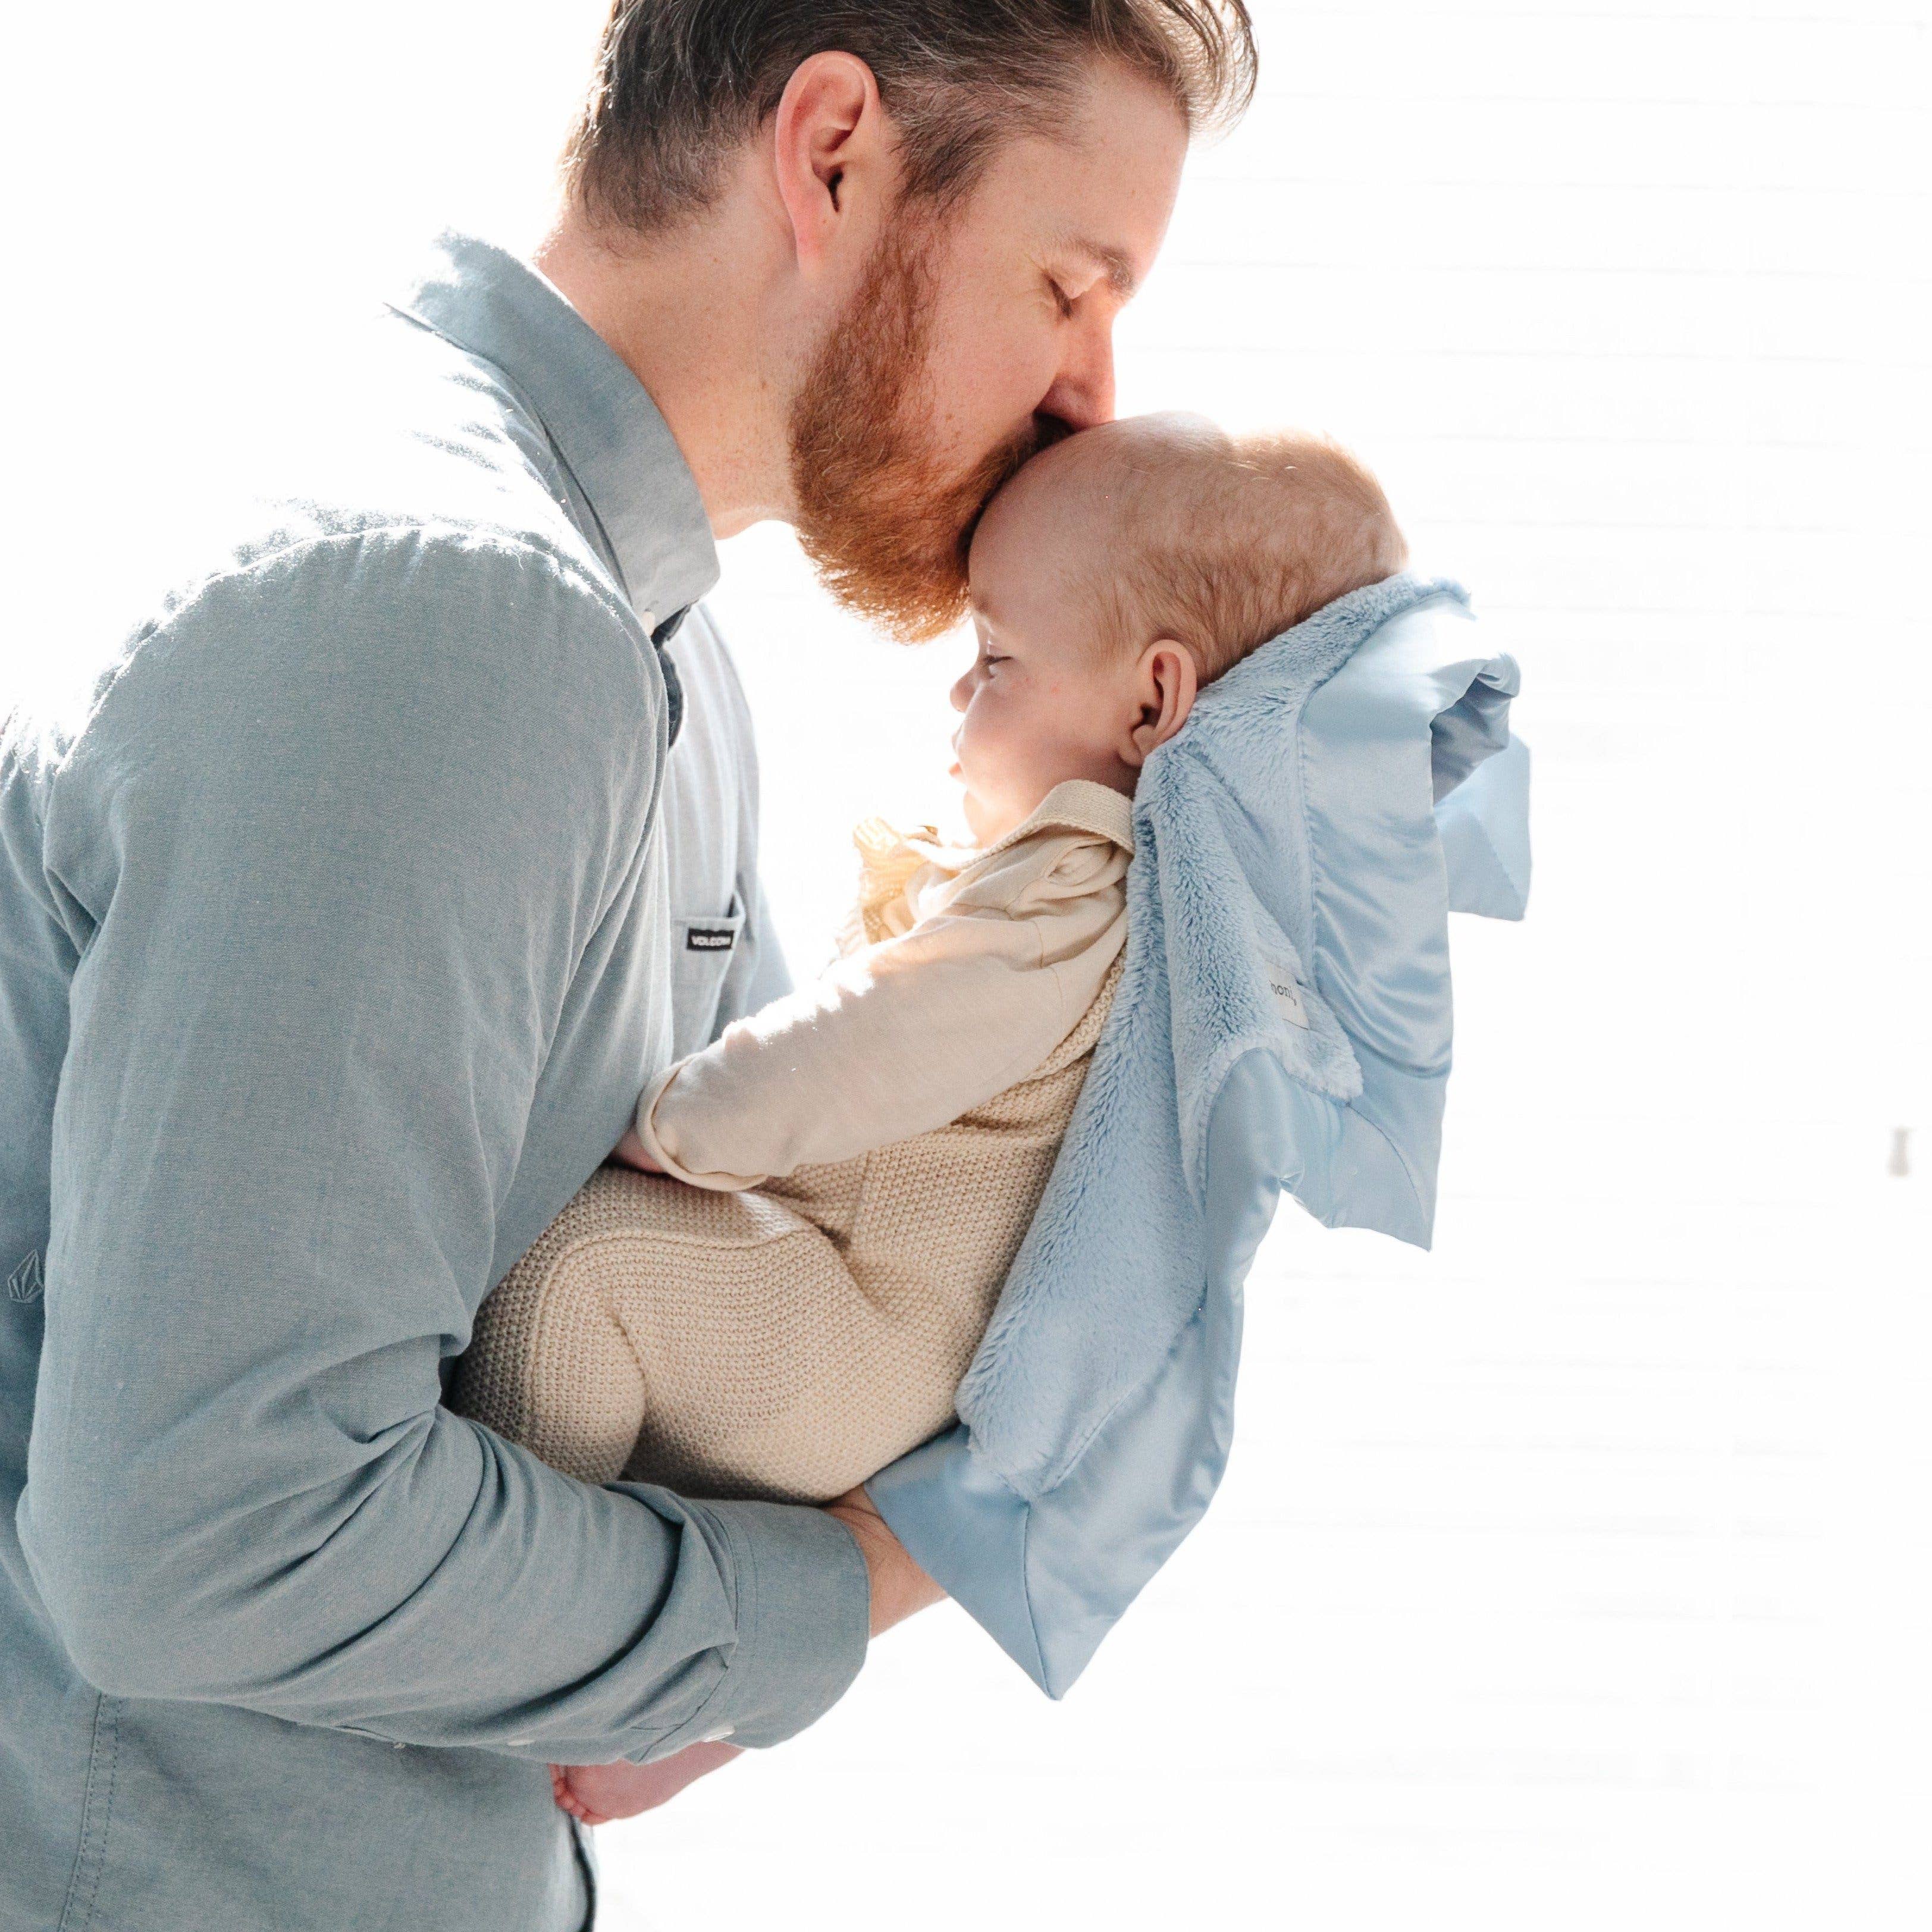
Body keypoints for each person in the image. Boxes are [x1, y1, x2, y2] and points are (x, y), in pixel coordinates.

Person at [0, 3, 1257, 1927]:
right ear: (831, 151)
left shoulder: (641, 640)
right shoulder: (454, 615)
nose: (1093, 388)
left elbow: (743, 1252)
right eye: (1067, 285)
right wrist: (830, 1593)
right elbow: (204, 1529)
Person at [446, 415, 1406, 1828]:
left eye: (999, 657)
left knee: (577, 1279)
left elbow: (874, 1043)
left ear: (1154, 704)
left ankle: (524, 1631)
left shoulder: (1084, 884)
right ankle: (687, 1701)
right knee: (682, 1344)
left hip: (860, 1324)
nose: (962, 691)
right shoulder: (1186, 936)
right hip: (881, 1347)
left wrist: (675, 1122)